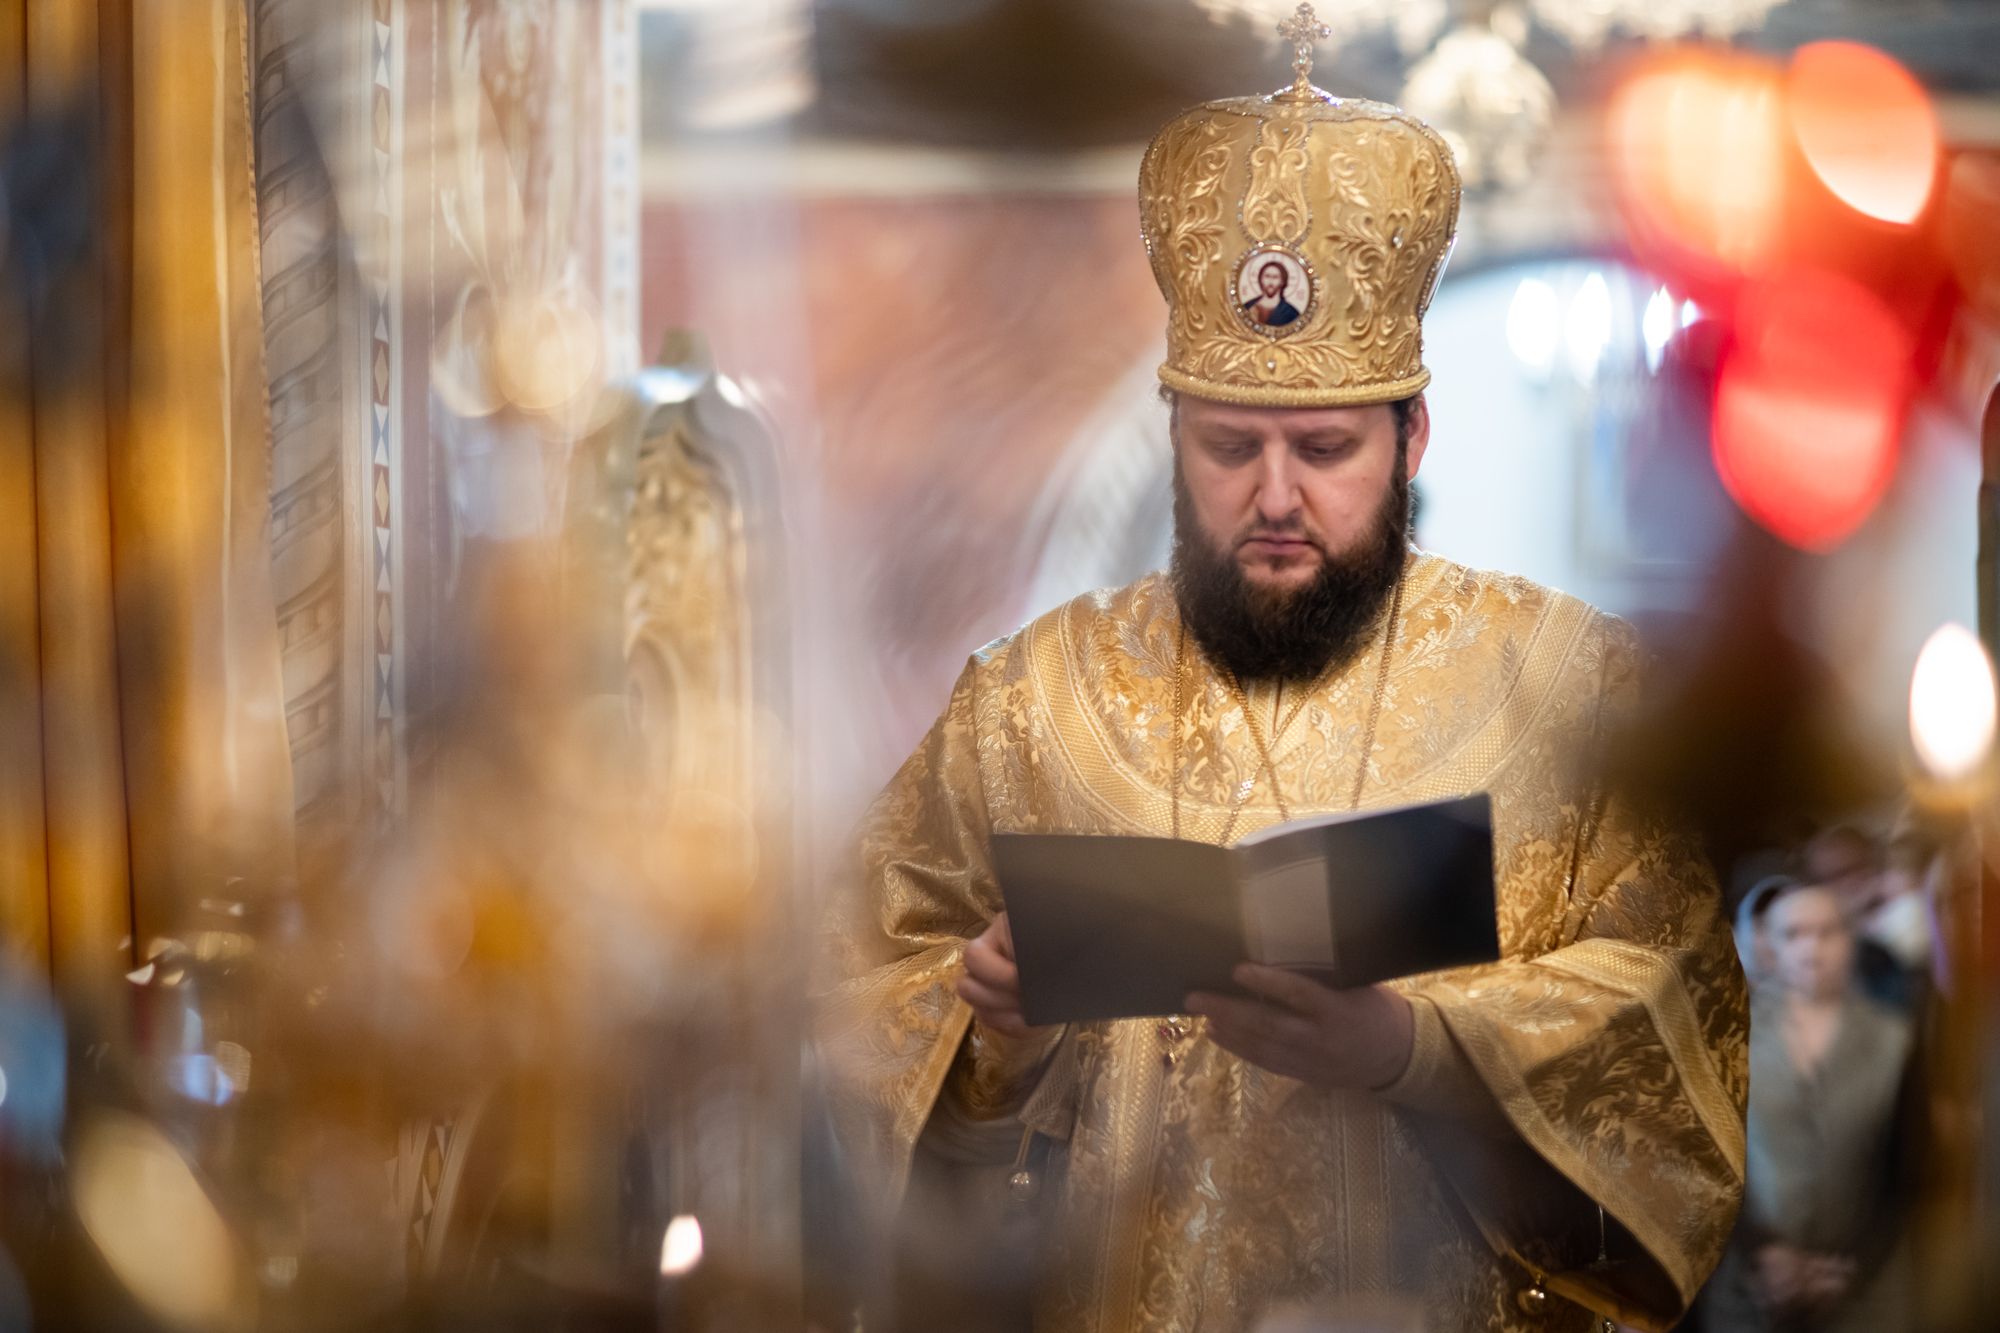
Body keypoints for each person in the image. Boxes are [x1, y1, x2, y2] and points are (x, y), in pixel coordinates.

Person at [817, 11, 1746, 1331]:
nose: (1271, 497)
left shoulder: (1571, 689)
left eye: (1322, 449)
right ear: (1173, 434)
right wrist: (990, 1038)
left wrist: (1412, 1047)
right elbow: (850, 1013)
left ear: (1411, 438)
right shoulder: (1027, 703)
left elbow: (1673, 1007)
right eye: (1227, 446)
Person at [1700, 886, 1915, 1332]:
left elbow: (1909, 1167)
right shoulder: (1730, 1033)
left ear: (1850, 939)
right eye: (1794, 934)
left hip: (1865, 1289)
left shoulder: (1895, 1040)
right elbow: (1709, 1156)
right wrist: (1765, 1253)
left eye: (1826, 932)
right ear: (1772, 946)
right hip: (1751, 1288)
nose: (1811, 948)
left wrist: (1851, 1264)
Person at [1243, 259, 1302, 328]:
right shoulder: (1248, 307)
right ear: (1261, 279)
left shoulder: (1291, 313)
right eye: (1267, 276)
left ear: (1282, 281)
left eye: (1275, 277)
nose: (1270, 281)